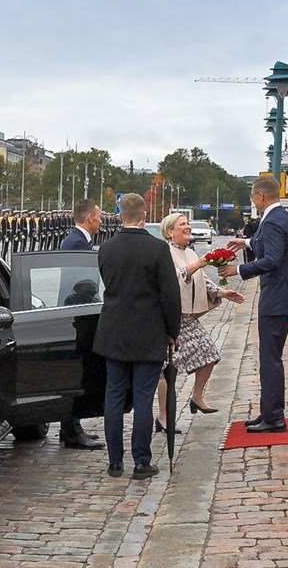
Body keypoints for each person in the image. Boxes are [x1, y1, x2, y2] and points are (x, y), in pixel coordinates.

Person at [95, 194, 181, 479]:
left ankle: (114, 462)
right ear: (144, 215)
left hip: (114, 332)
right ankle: (142, 461)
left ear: (120, 215)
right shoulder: (157, 248)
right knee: (143, 398)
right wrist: (173, 331)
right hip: (148, 332)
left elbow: (109, 285)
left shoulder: (106, 248)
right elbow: (170, 295)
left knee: (114, 396)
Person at [222, 177, 288, 433]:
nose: (252, 201)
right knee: (271, 356)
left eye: (252, 197)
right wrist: (247, 242)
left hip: (278, 298)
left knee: (270, 359)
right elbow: (272, 244)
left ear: (260, 196)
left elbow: (272, 259)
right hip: (287, 295)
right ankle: (269, 410)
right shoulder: (284, 218)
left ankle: (274, 417)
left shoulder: (270, 222)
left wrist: (238, 270)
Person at [157, 213, 245, 431]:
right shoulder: (165, 253)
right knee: (166, 369)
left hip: (188, 317)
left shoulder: (189, 251)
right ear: (170, 231)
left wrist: (223, 292)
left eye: (188, 223)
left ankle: (196, 397)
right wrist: (198, 264)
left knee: (209, 354)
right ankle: (163, 417)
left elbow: (202, 281)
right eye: (182, 224)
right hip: (171, 318)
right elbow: (173, 278)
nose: (188, 226)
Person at [57, 198, 106, 450]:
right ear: (89, 218)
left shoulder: (78, 240)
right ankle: (72, 431)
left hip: (78, 311)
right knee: (77, 375)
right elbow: (81, 283)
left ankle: (71, 427)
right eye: (99, 216)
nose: (101, 220)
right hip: (79, 313)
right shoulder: (76, 243)